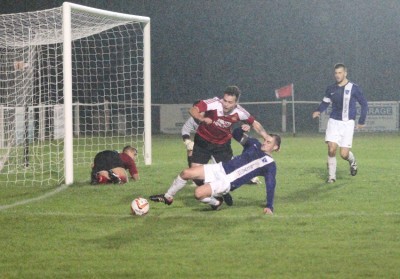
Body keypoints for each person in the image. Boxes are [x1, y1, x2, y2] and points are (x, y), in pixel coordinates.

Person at [150, 126, 281, 214]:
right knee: (186, 173)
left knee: (198, 194)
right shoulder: (254, 144)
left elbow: (270, 185)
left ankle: (216, 202)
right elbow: (235, 134)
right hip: (220, 167)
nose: (265, 142)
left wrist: (269, 206)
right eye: (265, 140)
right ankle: (168, 197)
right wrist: (241, 128)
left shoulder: (269, 164)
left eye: (269, 142)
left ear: (275, 148)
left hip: (227, 182)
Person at [312, 63, 368, 183]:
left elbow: (364, 104)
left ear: (345, 73)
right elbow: (325, 102)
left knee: (343, 154)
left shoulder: (354, 88)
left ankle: (352, 161)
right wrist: (318, 110)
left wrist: (361, 120)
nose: (337, 75)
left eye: (340, 73)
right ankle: (331, 177)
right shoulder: (331, 88)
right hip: (334, 122)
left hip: (347, 123)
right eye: (336, 73)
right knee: (331, 148)